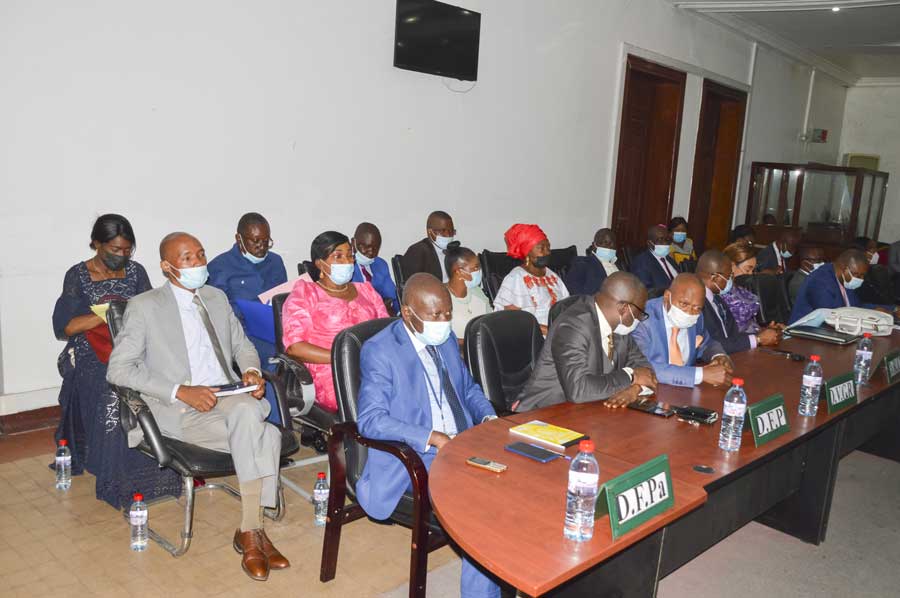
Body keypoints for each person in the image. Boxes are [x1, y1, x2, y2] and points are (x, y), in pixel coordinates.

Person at [107, 232, 287, 581]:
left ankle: (250, 531)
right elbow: (119, 369)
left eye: (201, 255)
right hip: (180, 409)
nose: (199, 263)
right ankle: (253, 531)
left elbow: (243, 346)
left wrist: (251, 370)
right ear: (167, 266)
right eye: (188, 258)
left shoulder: (216, 297)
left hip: (228, 397)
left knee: (247, 414)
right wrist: (180, 391)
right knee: (266, 435)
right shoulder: (144, 306)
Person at [355, 273, 500, 598]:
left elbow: (467, 388)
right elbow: (371, 420)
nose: (444, 322)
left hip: (462, 442)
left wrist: (489, 417)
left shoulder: (444, 338)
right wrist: (431, 437)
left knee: (522, 482)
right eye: (435, 315)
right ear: (408, 313)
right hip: (419, 453)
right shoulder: (380, 351)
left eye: (448, 313)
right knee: (482, 512)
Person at [52, 214, 180, 509]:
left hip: (132, 347)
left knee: (163, 380)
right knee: (114, 392)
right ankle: (115, 476)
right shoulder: (78, 275)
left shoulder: (135, 273)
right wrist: (106, 313)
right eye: (114, 250)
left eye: (127, 250)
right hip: (90, 352)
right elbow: (66, 327)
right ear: (96, 244)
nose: (122, 256)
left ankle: (163, 470)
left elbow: (153, 315)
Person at [514, 272, 656, 411]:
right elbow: (579, 390)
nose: (640, 319)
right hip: (544, 413)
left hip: (589, 411)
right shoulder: (573, 325)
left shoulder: (620, 328)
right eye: (640, 313)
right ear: (623, 309)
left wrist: (634, 389)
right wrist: (631, 376)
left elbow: (647, 373)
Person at [281, 231, 389, 412]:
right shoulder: (305, 293)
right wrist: (344, 357)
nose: (347, 262)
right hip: (333, 372)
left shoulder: (367, 291)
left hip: (375, 366)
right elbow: (295, 347)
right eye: (338, 256)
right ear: (320, 264)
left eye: (350, 256)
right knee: (378, 399)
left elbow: (388, 332)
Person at [208, 213, 288, 423]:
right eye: (255, 241)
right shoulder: (220, 267)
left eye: (266, 241)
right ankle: (277, 425)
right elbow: (219, 314)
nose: (262, 247)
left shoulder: (275, 262)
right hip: (243, 334)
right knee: (273, 360)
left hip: (275, 328)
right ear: (239, 239)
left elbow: (282, 299)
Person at [632, 273, 733, 388]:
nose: (689, 313)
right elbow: (643, 367)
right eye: (684, 304)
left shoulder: (697, 316)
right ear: (667, 296)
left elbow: (706, 343)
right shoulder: (642, 319)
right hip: (653, 390)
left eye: (697, 308)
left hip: (684, 391)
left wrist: (718, 356)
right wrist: (700, 375)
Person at [696, 250, 780, 354]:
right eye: (728, 277)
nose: (731, 281)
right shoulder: (696, 304)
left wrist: (762, 334)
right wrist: (758, 339)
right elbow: (709, 345)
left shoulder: (717, 299)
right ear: (715, 278)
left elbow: (733, 335)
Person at [493, 223, 570, 335]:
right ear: (527, 251)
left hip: (559, 333)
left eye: (548, 247)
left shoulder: (552, 275)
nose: (547, 252)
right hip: (533, 337)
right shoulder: (516, 278)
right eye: (541, 248)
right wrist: (552, 332)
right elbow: (514, 320)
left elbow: (567, 306)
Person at [789, 249, 898, 324]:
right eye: (857, 275)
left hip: (832, 330)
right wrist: (871, 314)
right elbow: (834, 316)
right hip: (805, 333)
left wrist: (891, 309)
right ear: (843, 268)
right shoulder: (820, 282)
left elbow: (856, 306)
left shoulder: (844, 280)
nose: (860, 279)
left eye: (862, 276)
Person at [351, 222, 399, 315]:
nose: (371, 252)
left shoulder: (380, 264)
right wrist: (379, 305)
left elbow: (393, 296)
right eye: (365, 247)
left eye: (375, 248)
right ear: (353, 243)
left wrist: (399, 314)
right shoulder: (346, 268)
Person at [444, 246, 490, 343]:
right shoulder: (441, 297)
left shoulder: (477, 292)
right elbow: (444, 339)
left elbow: (491, 323)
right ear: (459, 272)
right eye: (476, 267)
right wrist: (471, 343)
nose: (480, 270)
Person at [401, 211, 457, 282]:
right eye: (443, 231)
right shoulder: (418, 251)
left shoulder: (454, 251)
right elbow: (412, 283)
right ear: (430, 232)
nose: (448, 235)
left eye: (451, 231)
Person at [720, 242, 764, 333]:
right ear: (732, 266)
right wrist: (759, 337)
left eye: (753, 270)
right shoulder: (720, 291)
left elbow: (750, 322)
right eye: (748, 269)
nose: (750, 274)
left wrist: (764, 330)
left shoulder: (740, 289)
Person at [565, 227, 619, 296]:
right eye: (604, 242)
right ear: (594, 245)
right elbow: (575, 293)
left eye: (612, 243)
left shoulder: (619, 264)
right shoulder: (582, 263)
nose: (609, 247)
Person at [629, 224, 680, 294]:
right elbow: (645, 291)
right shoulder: (641, 263)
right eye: (660, 239)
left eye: (667, 239)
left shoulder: (670, 259)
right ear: (649, 243)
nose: (665, 243)